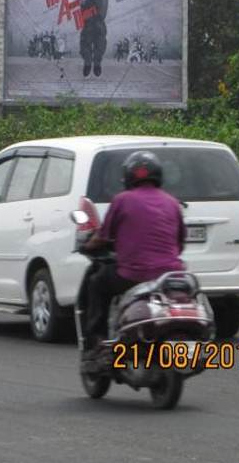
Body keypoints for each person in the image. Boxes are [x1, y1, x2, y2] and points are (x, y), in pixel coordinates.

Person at [79, 151, 186, 357]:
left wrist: (88, 246)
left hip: (132, 276)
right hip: (170, 277)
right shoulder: (173, 203)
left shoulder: (122, 200)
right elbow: (180, 244)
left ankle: (96, 343)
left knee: (97, 283)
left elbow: (103, 237)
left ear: (128, 177)